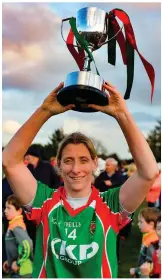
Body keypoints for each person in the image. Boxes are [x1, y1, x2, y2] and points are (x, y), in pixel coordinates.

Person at [2, 81, 159, 278]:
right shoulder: (44, 201)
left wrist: (122, 115)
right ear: (58, 165)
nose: (76, 169)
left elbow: (149, 172)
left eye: (83, 160)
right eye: (68, 161)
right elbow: (9, 161)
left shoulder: (110, 204)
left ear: (95, 163)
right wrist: (45, 111)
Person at [3, 195, 33, 278]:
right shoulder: (13, 225)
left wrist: (18, 263)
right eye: (5, 208)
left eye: (9, 208)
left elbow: (28, 245)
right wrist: (9, 262)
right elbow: (16, 248)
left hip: (23, 272)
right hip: (18, 272)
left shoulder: (17, 226)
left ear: (19, 210)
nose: (5, 211)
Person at [129, 207, 160, 277]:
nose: (138, 224)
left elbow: (150, 265)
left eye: (141, 222)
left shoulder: (152, 242)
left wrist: (136, 270)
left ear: (151, 224)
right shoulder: (147, 236)